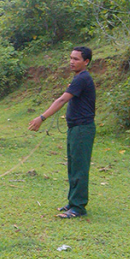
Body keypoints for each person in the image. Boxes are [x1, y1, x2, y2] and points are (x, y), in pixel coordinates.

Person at [28, 46, 96, 219]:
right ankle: (73, 202)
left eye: (76, 59)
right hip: (75, 128)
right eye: (71, 58)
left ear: (86, 62)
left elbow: (62, 99)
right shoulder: (78, 79)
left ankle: (78, 207)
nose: (72, 62)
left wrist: (41, 118)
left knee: (79, 167)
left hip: (82, 129)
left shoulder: (82, 78)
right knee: (73, 166)